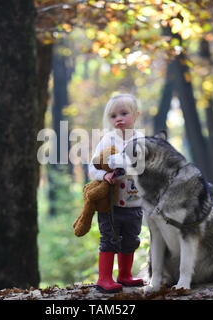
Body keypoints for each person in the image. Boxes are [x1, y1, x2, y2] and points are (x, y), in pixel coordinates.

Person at [88, 93, 145, 293]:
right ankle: (104, 278)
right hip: (110, 204)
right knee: (110, 238)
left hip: (134, 203)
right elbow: (92, 168)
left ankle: (125, 275)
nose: (118, 118)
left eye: (124, 113)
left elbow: (145, 166)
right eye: (113, 116)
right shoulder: (107, 140)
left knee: (131, 238)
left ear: (136, 115)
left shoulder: (141, 140)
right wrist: (104, 176)